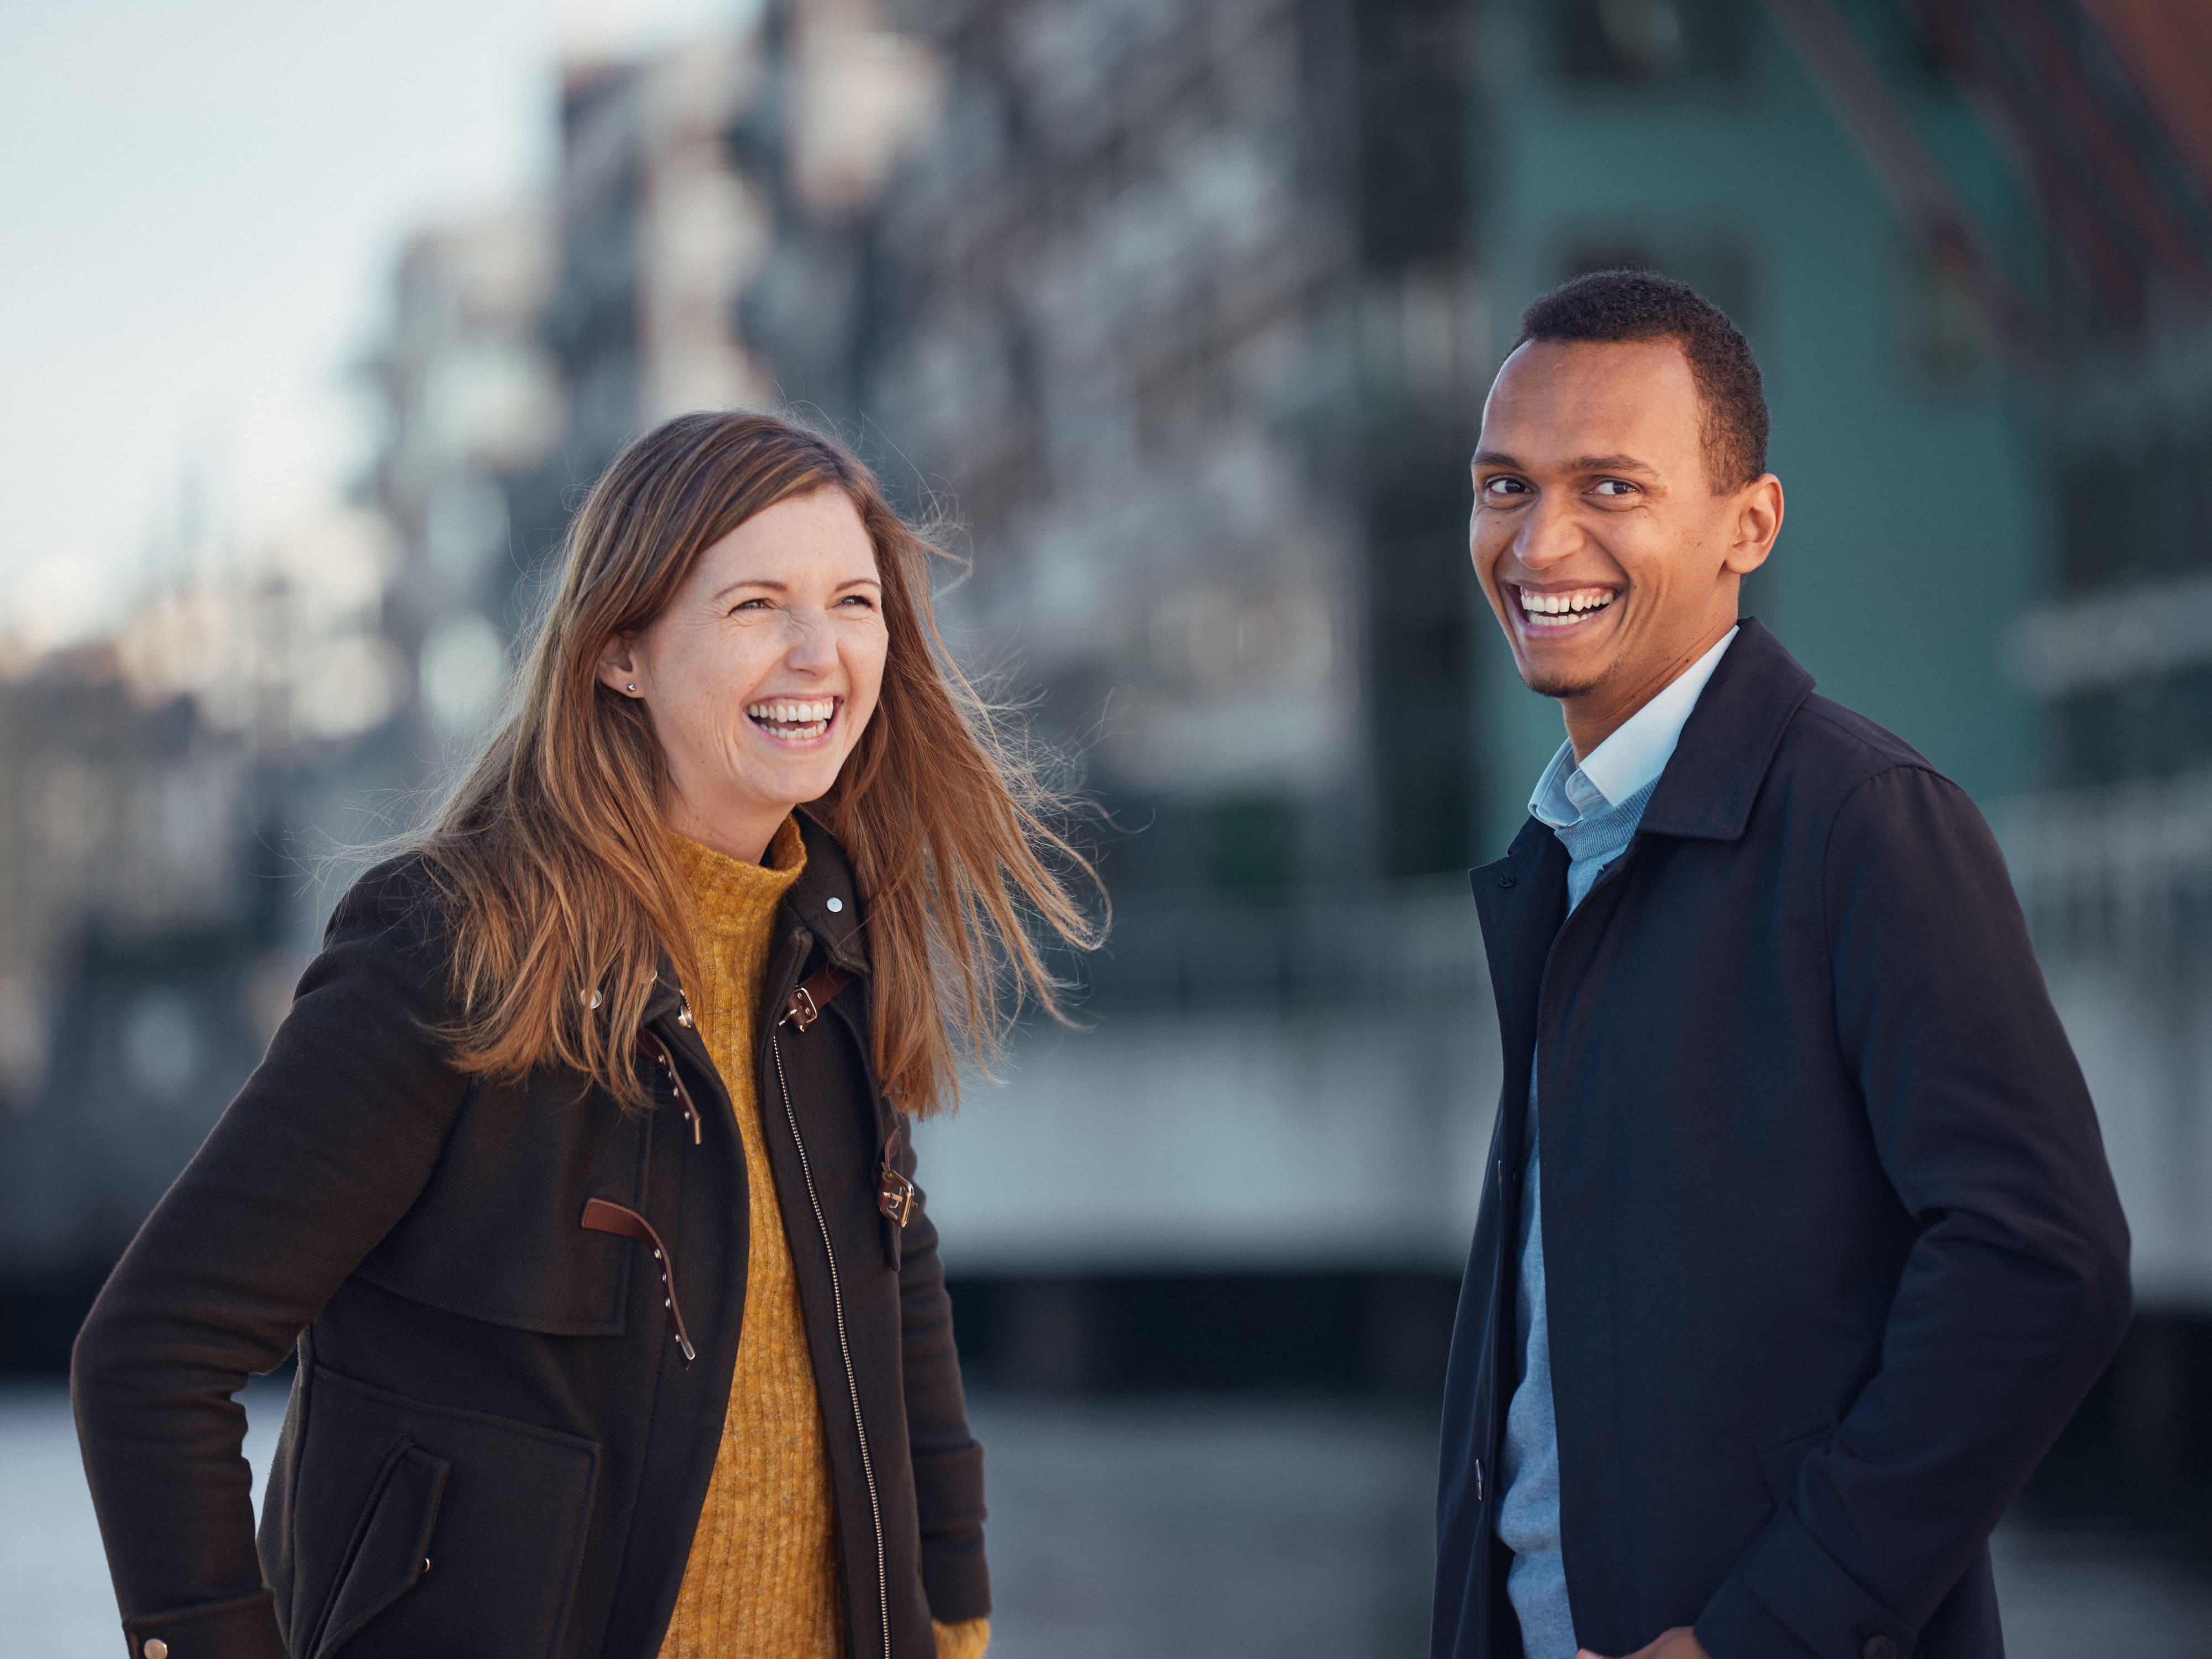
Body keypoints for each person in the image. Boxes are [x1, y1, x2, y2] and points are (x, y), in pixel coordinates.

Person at [72, 411, 1099, 1659]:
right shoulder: (452, 946)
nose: (819, 652)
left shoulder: (825, 940)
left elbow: (898, 1281)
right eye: (755, 606)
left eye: (853, 600)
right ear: (621, 654)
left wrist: (952, 1608)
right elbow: (150, 1356)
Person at [1430, 273, 2131, 1659]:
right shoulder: (1568, 846)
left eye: (1610, 488)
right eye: (1503, 485)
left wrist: (1765, 1632)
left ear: (1746, 524)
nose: (1538, 539)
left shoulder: (1862, 823)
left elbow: (2040, 1264)